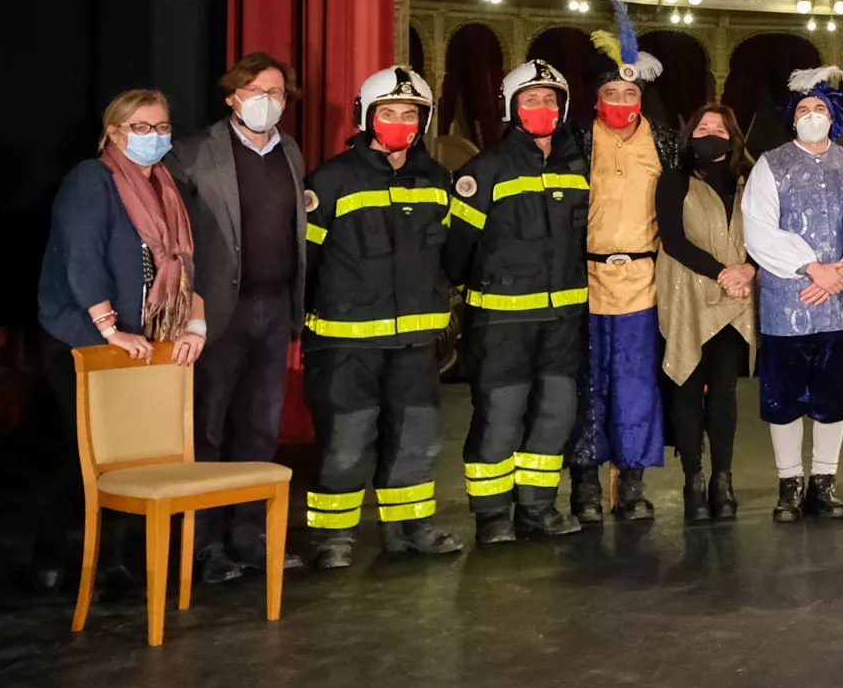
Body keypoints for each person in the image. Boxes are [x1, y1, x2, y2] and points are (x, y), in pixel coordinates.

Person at [31, 89, 207, 589]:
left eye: (162, 127)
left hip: (146, 341)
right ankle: (53, 551)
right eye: (141, 128)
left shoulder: (168, 186)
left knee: (137, 455)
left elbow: (187, 263)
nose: (155, 138)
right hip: (86, 337)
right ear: (113, 133)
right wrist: (111, 330)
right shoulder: (93, 179)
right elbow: (80, 258)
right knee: (91, 453)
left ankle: (116, 558)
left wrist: (192, 323)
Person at [301, 67, 463, 567]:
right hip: (345, 343)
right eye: (388, 113)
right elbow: (304, 262)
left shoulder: (437, 179)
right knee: (346, 442)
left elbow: (451, 255)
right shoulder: (329, 180)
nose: (399, 122)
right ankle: (332, 538)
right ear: (366, 117)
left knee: (418, 439)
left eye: (409, 114)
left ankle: (410, 527)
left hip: (415, 343)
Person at [173, 53, 307, 584]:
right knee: (205, 429)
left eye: (276, 93)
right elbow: (178, 245)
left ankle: (250, 536)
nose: (267, 102)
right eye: (255, 91)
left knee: (259, 429)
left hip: (274, 310)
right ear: (231, 96)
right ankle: (204, 545)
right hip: (215, 313)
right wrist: (190, 313)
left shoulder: (290, 152)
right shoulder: (193, 154)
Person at [445, 59, 587, 544]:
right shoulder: (484, 169)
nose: (542, 108)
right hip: (501, 322)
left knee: (556, 414)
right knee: (500, 417)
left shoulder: (579, 168)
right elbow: (454, 249)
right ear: (511, 107)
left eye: (551, 100)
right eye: (531, 100)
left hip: (564, 321)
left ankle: (537, 508)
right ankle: (490, 515)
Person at [743, 66, 843, 522]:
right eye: (804, 109)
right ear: (791, 119)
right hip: (787, 302)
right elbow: (758, 229)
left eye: (820, 108)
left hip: (839, 301)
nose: (812, 115)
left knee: (834, 396)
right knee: (784, 397)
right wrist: (812, 268)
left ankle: (824, 484)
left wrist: (842, 272)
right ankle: (789, 486)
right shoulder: (770, 164)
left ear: (834, 117)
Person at [579, 10, 668, 522]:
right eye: (611, 95)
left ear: (641, 98)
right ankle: (586, 487)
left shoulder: (664, 143)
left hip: (642, 284)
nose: (620, 103)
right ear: (597, 99)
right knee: (587, 384)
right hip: (586, 282)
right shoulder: (576, 143)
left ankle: (631, 485)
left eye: (629, 95)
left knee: (636, 386)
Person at [655, 100, 756, 523]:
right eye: (702, 127)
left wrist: (748, 268)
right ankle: (693, 480)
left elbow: (765, 232)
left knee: (725, 392)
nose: (709, 133)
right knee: (687, 386)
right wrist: (723, 272)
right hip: (688, 294)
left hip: (735, 298)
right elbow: (673, 240)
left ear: (732, 137)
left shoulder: (748, 181)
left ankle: (723, 480)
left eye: (718, 127)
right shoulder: (673, 179)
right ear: (689, 135)